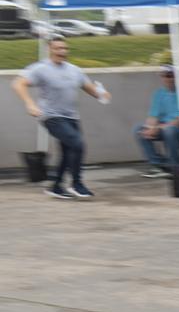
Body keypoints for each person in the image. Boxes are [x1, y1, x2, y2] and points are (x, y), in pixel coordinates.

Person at [11, 35, 111, 200]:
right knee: (77, 144)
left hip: (71, 117)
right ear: (50, 49)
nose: (62, 51)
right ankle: (76, 183)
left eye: (65, 48)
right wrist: (30, 103)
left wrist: (103, 94)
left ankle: (56, 186)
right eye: (58, 48)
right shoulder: (40, 68)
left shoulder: (74, 70)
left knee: (68, 150)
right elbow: (18, 83)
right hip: (51, 116)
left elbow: (92, 90)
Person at [134, 64, 179, 178]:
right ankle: (157, 165)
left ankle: (174, 166)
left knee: (170, 131)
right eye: (165, 76)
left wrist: (158, 128)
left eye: (171, 75)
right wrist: (149, 128)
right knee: (139, 130)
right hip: (167, 126)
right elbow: (153, 116)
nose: (168, 78)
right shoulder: (159, 93)